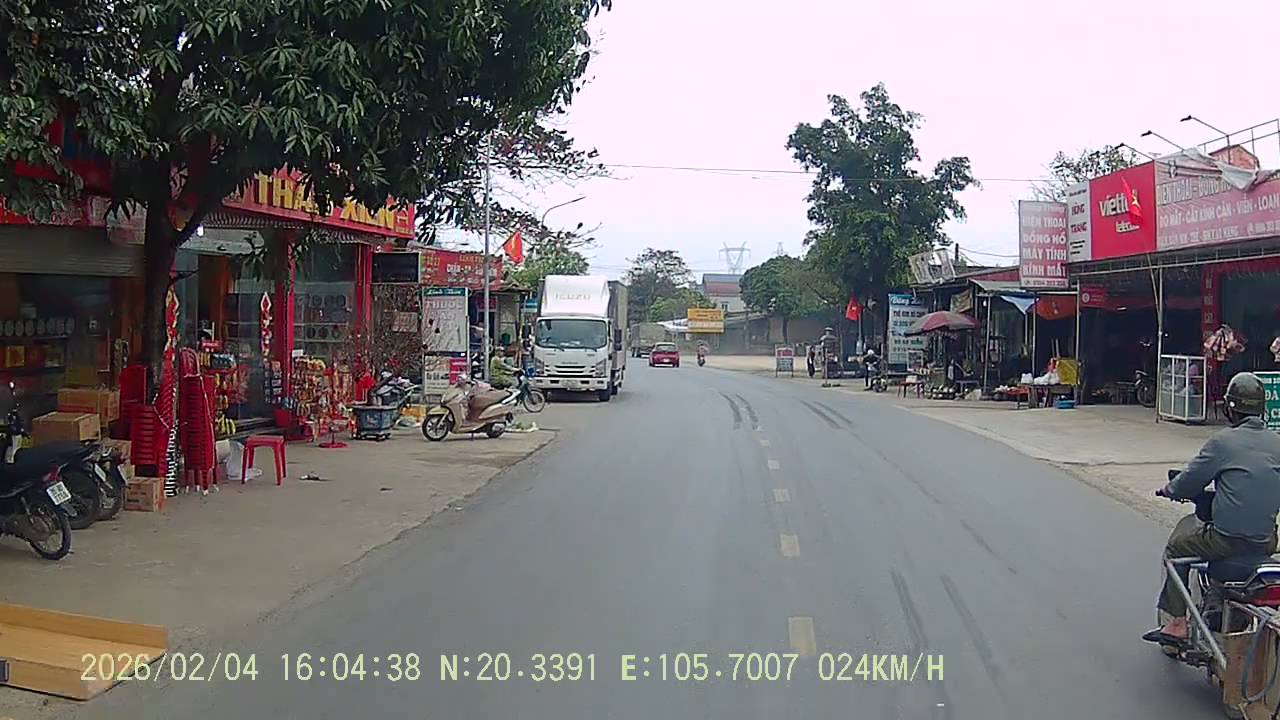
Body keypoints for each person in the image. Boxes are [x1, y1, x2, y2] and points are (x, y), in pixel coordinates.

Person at [1143, 372, 1280, 644]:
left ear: (1230, 407)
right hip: (1266, 541)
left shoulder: (1223, 442)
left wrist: (1170, 490)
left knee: (1176, 549)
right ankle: (1217, 601)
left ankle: (1177, 624)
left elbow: (1189, 481)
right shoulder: (1277, 443)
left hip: (1226, 539)